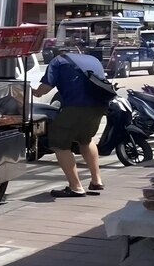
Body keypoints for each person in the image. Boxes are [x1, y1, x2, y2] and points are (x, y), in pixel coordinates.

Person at [33, 47, 106, 197]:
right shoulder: (93, 60)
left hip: (76, 107)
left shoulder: (58, 61)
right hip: (99, 106)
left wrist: (34, 91)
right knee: (85, 140)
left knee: (59, 144)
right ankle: (96, 180)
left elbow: (45, 88)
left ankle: (75, 187)